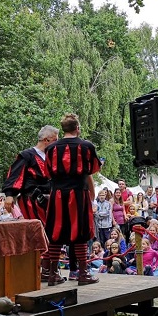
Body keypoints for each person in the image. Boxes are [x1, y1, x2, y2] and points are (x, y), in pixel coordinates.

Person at [43, 113, 102, 286]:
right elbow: (93, 168)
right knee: (81, 232)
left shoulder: (51, 149)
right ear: (77, 128)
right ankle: (83, 273)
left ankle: (53, 274)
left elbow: (47, 173)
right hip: (78, 193)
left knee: (55, 232)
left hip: (58, 193)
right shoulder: (87, 146)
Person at [2, 125, 58, 224]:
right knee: (37, 230)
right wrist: (10, 195)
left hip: (51, 201)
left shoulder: (53, 157)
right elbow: (15, 175)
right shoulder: (27, 155)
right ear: (46, 140)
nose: (57, 144)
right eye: (55, 140)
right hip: (32, 201)